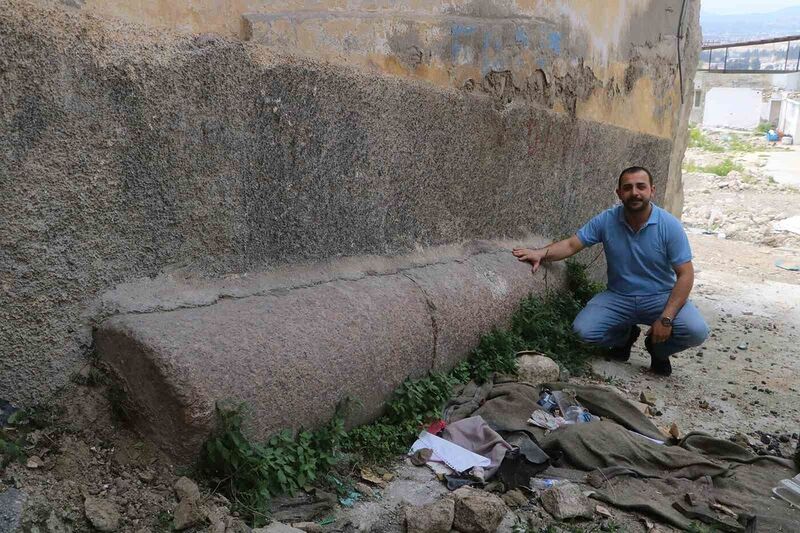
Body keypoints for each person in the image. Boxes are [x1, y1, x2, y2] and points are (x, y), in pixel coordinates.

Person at [512, 166, 708, 376]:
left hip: (660, 297)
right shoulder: (607, 220)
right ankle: (624, 337)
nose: (635, 192)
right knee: (582, 332)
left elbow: (686, 274)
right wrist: (541, 253)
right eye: (628, 188)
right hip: (619, 296)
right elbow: (571, 245)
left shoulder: (669, 225)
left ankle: (658, 349)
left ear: (652, 190)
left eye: (641, 187)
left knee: (696, 331)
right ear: (619, 193)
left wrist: (666, 319)